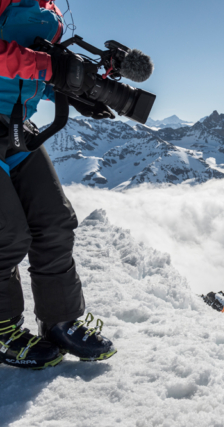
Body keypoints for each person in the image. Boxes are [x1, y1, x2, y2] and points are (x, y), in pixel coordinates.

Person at [0, 0, 116, 369]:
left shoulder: (48, 7)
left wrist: (73, 92)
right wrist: (50, 68)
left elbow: (25, 74)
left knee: (55, 221)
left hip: (15, 129)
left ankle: (59, 321)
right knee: (6, 233)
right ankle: (1, 328)